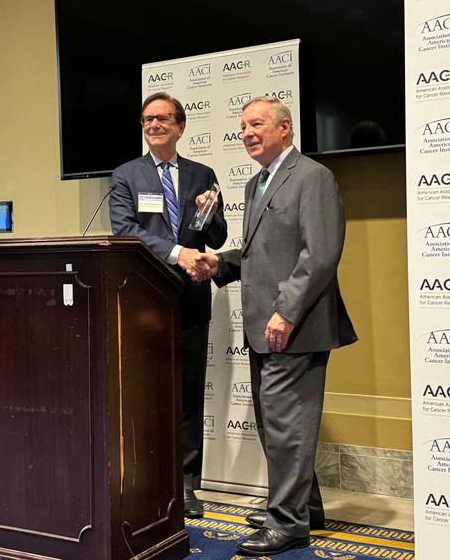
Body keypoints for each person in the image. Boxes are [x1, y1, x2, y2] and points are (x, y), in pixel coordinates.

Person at [189, 96, 357, 556]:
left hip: (295, 325)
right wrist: (216, 264)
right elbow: (257, 254)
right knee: (279, 425)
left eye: (257, 124)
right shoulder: (255, 183)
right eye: (243, 126)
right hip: (264, 325)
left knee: (286, 426)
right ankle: (306, 508)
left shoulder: (312, 177)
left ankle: (288, 523)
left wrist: (286, 310)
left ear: (285, 128)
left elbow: (319, 254)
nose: (247, 133)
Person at [109, 91, 227, 518]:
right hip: (142, 299)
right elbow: (125, 230)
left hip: (191, 298)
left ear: (180, 126)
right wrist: (179, 253)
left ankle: (186, 483)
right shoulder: (126, 175)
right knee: (141, 391)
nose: (154, 125)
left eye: (162, 119)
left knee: (187, 393)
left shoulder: (203, 173)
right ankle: (141, 477)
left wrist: (209, 214)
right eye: (147, 119)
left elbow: (216, 239)